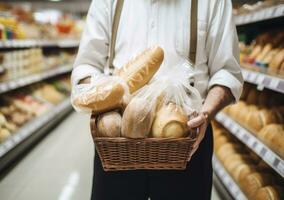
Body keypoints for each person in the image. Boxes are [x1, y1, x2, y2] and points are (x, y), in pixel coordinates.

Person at [71, 0, 243, 199]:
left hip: (188, 140)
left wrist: (206, 113)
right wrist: (107, 92)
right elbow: (86, 65)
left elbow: (227, 72)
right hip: (116, 141)